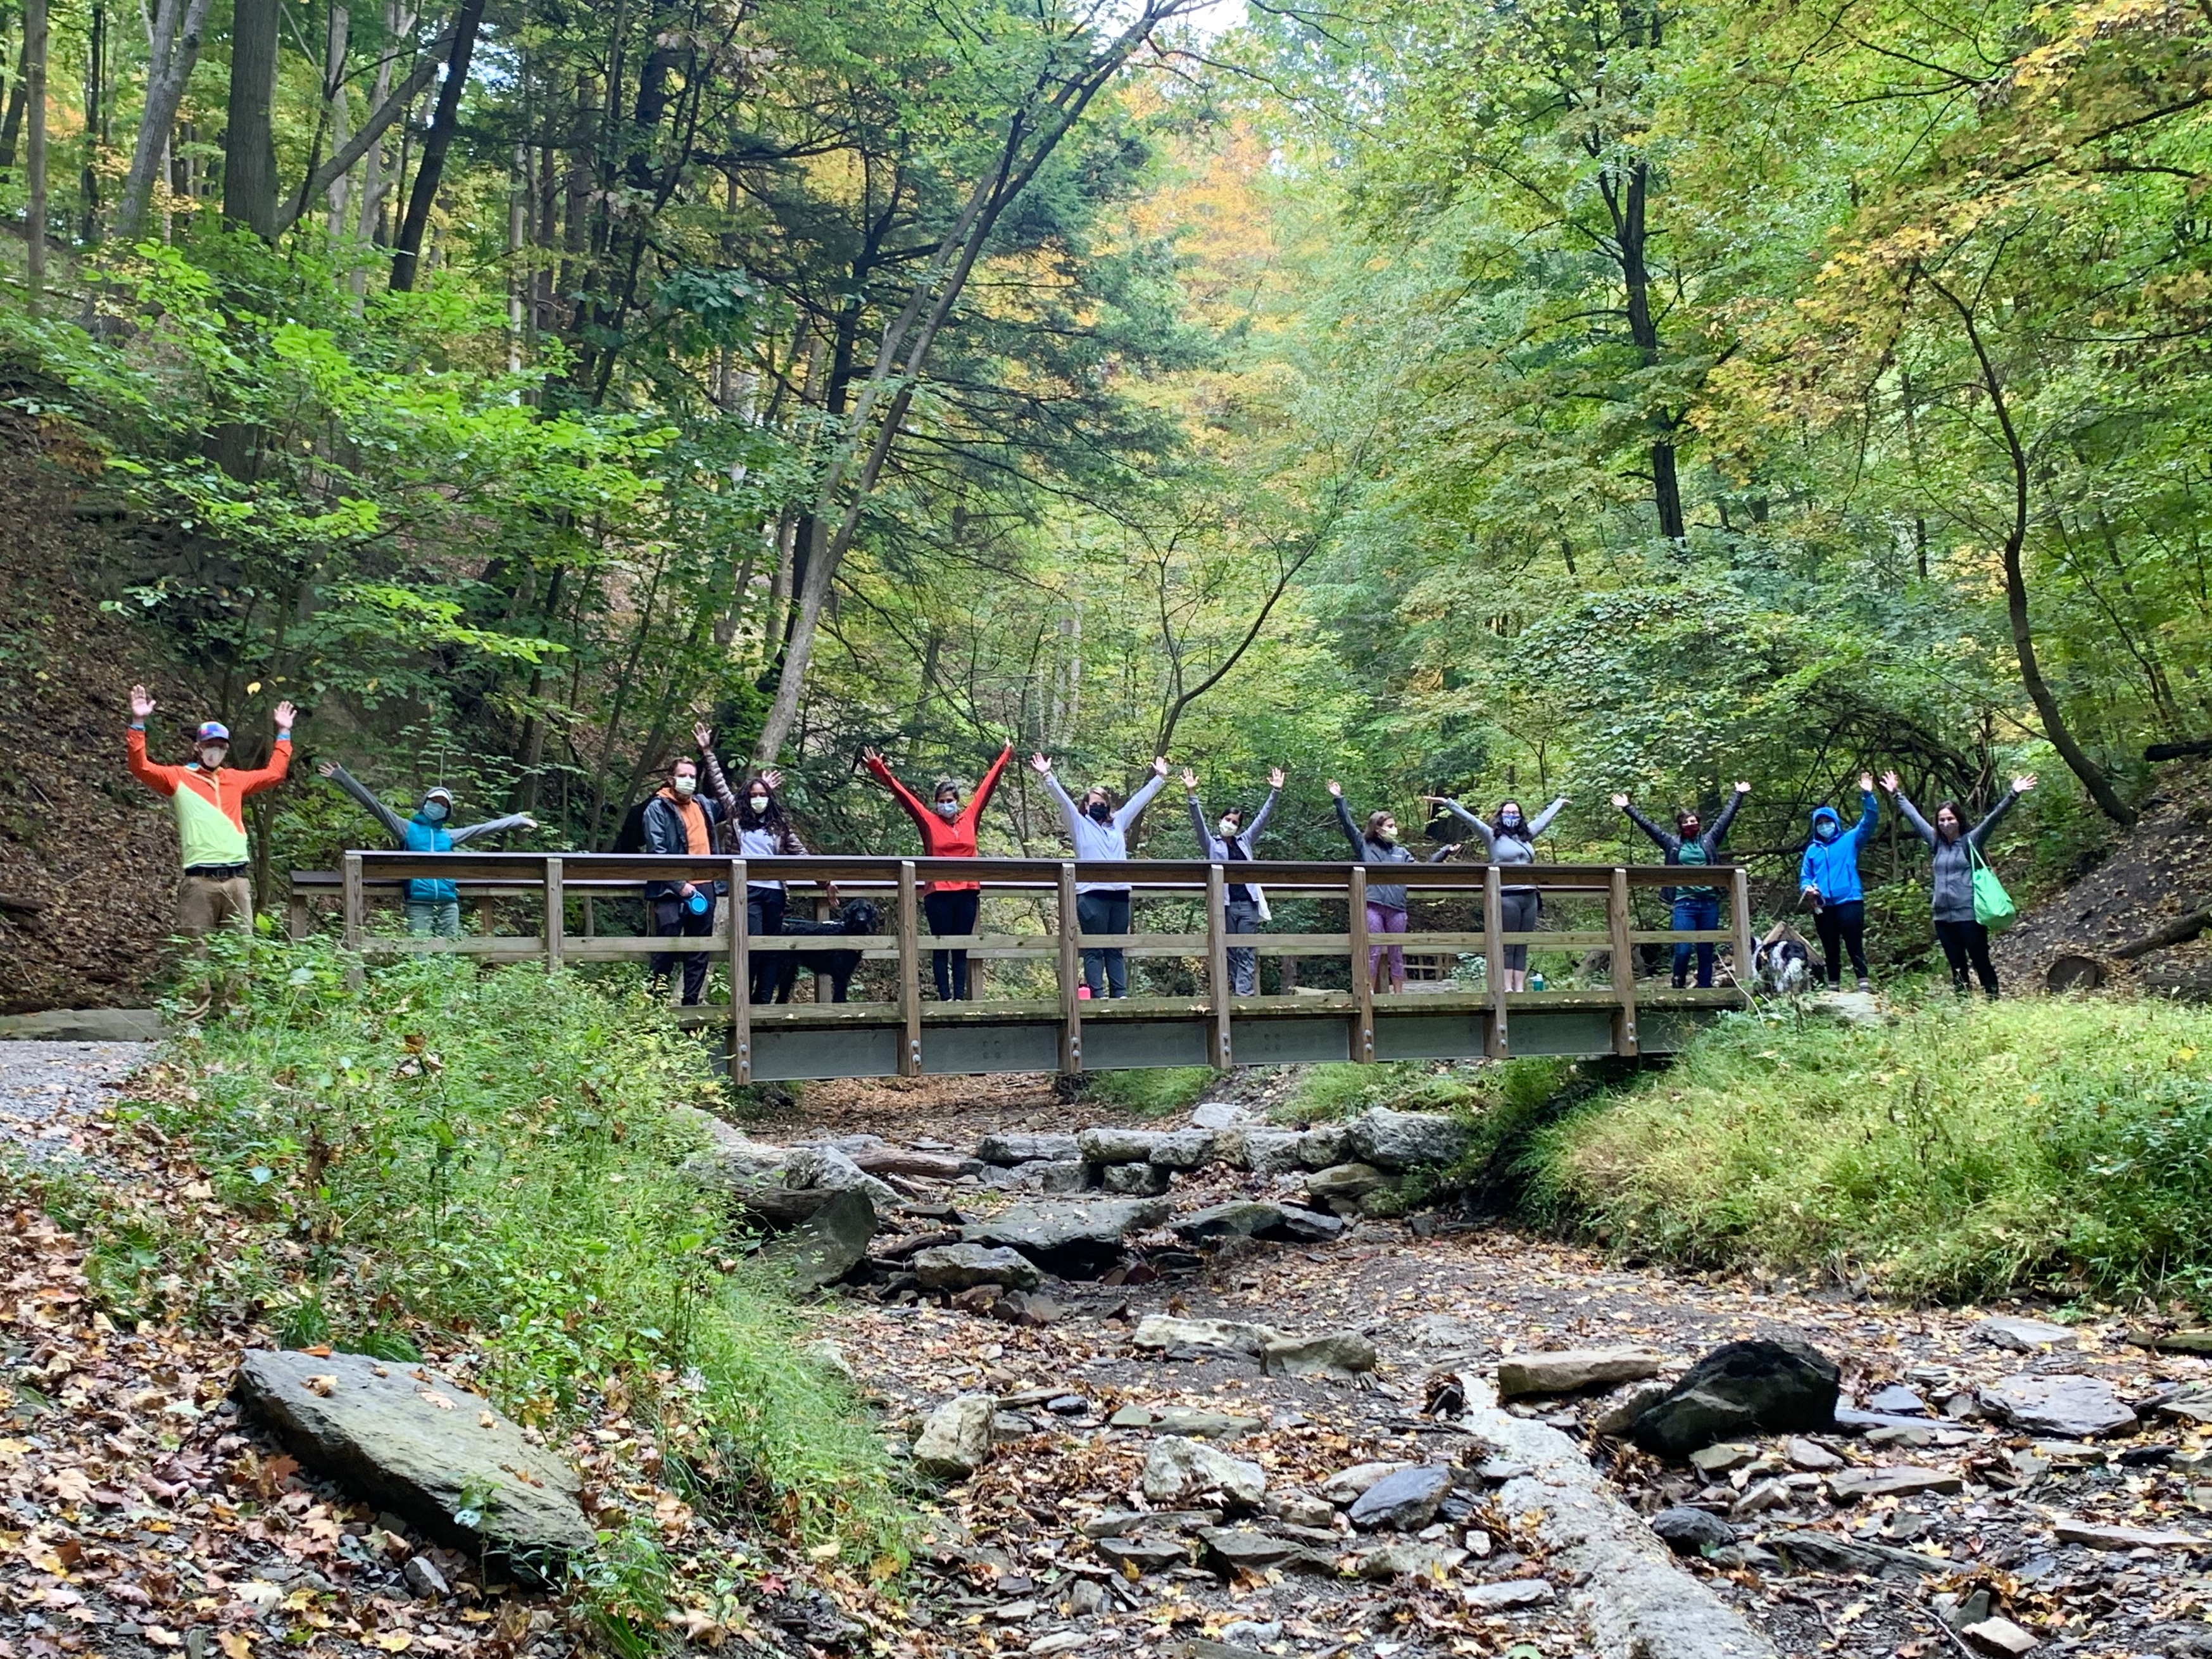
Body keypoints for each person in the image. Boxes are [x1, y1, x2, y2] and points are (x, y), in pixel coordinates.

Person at [125, 684, 296, 937]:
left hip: (237, 881)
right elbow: (141, 767)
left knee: (238, 959)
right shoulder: (179, 777)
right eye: (209, 744)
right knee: (196, 959)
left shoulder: (235, 779)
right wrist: (138, 722)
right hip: (199, 882)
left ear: (226, 750)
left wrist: (283, 732)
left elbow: (275, 774)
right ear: (198, 746)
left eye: (220, 746)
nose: (214, 750)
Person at [860, 741, 1014, 1000]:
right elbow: (903, 796)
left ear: (957, 801)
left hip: (966, 891)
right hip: (938, 893)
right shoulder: (929, 821)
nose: (946, 805)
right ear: (936, 803)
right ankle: (945, 998)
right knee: (941, 946)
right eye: (941, 801)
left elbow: (988, 786)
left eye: (950, 801)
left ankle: (960, 998)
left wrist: (1005, 755)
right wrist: (880, 769)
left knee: (961, 947)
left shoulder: (970, 818)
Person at [318, 763, 536, 937]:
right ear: (425, 803)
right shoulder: (406, 828)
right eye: (435, 801)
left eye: (443, 804)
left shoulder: (448, 836)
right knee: (420, 958)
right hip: (418, 902)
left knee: (446, 959)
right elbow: (375, 806)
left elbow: (482, 829)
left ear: (447, 811)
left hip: (448, 902)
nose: (438, 806)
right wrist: (342, 777)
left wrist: (517, 820)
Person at [1884, 769, 2035, 997]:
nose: (1946, 823)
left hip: (1969, 915)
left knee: (1980, 960)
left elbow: (1992, 819)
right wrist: (1897, 794)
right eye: (1942, 820)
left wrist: (2013, 794)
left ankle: (1992, 1000)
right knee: (1956, 966)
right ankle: (1963, 1005)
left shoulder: (1971, 841)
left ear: (1959, 819)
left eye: (1950, 819)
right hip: (1943, 917)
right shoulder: (1935, 842)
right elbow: (1914, 818)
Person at [1033, 752, 1169, 999]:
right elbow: (1063, 801)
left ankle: (1120, 993)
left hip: (1119, 893)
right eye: (1092, 802)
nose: (1097, 806)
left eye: (1102, 802)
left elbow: (1137, 803)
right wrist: (1047, 775)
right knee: (1094, 948)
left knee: (1115, 948)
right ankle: (1097, 994)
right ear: (1085, 805)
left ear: (1107, 805)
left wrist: (1158, 778)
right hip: (1091, 894)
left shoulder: (1117, 824)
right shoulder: (1079, 823)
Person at [696, 731, 812, 1004]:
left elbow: (803, 855)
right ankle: (744, 1000)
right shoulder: (736, 815)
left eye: (763, 795)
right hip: (747, 890)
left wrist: (826, 882)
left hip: (775, 892)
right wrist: (707, 753)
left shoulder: (779, 825)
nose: (758, 799)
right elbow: (721, 786)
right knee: (752, 945)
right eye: (754, 794)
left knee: (771, 949)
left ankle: (762, 1000)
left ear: (769, 798)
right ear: (746, 797)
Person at [1424, 792, 1567, 992]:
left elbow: (1543, 820)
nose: (1512, 816)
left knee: (1523, 943)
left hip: (1530, 896)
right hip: (1507, 895)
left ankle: (1520, 988)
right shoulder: (1492, 836)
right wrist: (1447, 803)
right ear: (1501, 815)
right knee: (1508, 943)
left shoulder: (1527, 835)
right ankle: (1506, 987)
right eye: (1508, 812)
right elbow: (1470, 819)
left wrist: (1558, 804)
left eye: (1515, 812)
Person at [1613, 782, 1750, 988]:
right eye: (1686, 822)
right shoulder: (1673, 844)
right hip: (1684, 903)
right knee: (1683, 948)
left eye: (1693, 821)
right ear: (1680, 826)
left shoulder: (1709, 841)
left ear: (1699, 823)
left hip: (1708, 902)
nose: (1690, 825)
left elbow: (1725, 819)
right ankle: (1678, 984)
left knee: (1706, 949)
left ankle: (1705, 988)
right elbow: (1650, 828)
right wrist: (1628, 808)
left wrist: (1738, 795)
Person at [1328, 781, 1459, 994]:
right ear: (1378, 829)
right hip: (1373, 905)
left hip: (1398, 908)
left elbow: (1421, 870)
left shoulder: (1401, 853)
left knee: (1397, 951)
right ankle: (1368, 991)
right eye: (1390, 826)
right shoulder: (1365, 846)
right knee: (1374, 949)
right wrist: (1339, 798)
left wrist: (1445, 852)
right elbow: (1348, 825)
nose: (1394, 829)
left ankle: (1398, 994)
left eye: (1394, 825)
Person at [1185, 765, 1284, 997]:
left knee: (1246, 948)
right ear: (1221, 820)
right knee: (1228, 950)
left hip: (1248, 904)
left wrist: (1275, 792)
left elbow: (1263, 818)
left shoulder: (1245, 841)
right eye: (1227, 819)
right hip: (1225, 905)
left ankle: (1245, 996)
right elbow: (1198, 822)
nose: (1230, 823)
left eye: (1235, 822)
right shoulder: (1212, 845)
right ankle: (1231, 992)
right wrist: (1192, 795)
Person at [641, 754, 729, 1005]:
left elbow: (728, 802)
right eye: (683, 776)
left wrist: (710, 755)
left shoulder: (704, 805)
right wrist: (681, 886)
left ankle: (691, 1003)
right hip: (668, 888)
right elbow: (657, 852)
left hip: (705, 885)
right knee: (667, 940)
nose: (688, 781)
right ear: (671, 779)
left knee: (699, 949)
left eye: (692, 777)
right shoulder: (657, 808)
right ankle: (655, 1001)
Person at [1799, 774, 1880, 992]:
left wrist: (1867, 794)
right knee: (1830, 947)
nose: (1825, 826)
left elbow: (1870, 820)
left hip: (1850, 901)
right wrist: (1807, 888)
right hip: (1823, 905)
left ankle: (1863, 984)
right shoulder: (1812, 851)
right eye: (1821, 823)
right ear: (1815, 827)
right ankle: (1833, 986)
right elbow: (1805, 876)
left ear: (1835, 822)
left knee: (1854, 944)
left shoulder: (1849, 840)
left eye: (1828, 822)